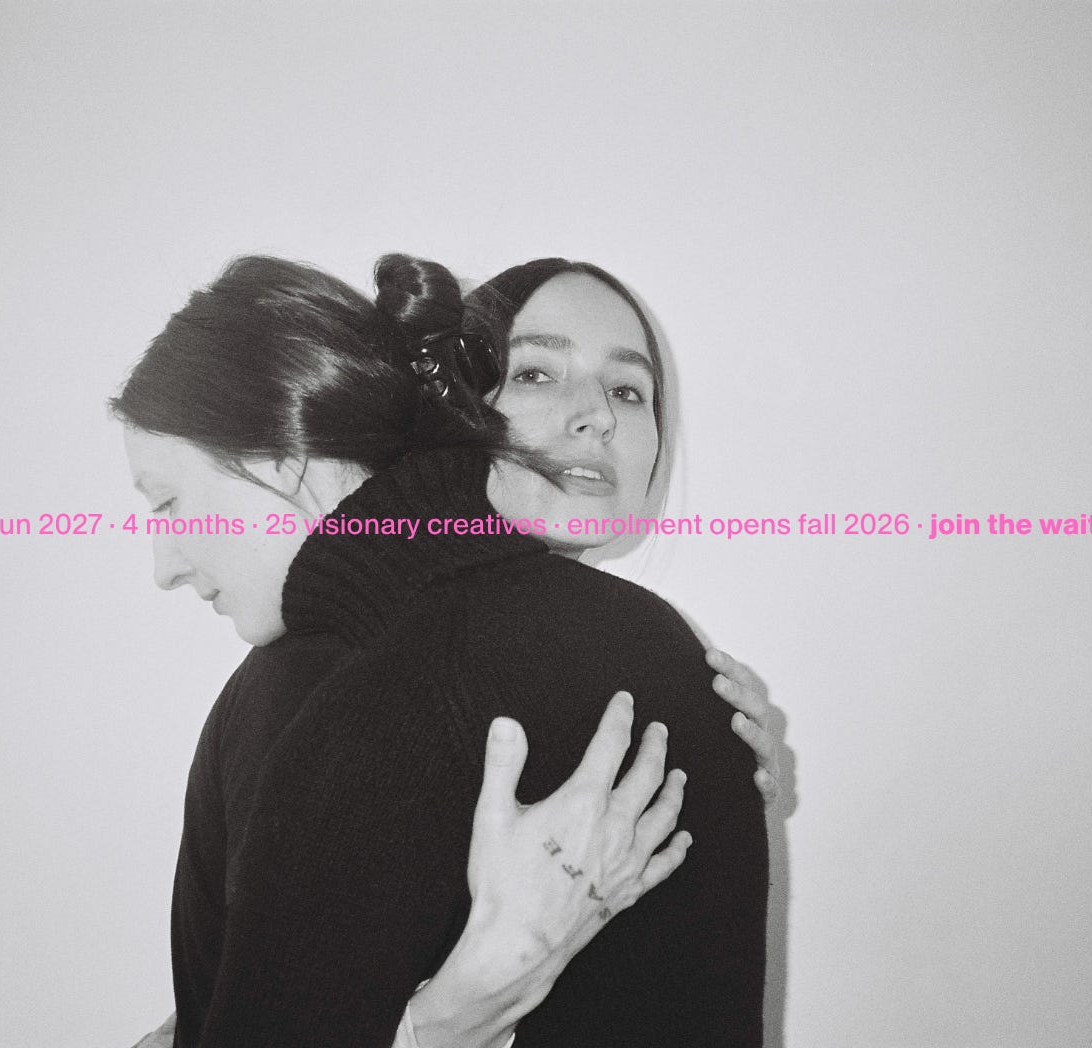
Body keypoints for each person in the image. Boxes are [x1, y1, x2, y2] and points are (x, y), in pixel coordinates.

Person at [114, 252, 769, 1047]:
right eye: (535, 374)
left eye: (630, 390)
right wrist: (452, 1012)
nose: (597, 416)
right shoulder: (346, 669)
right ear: (455, 403)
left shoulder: (335, 676)